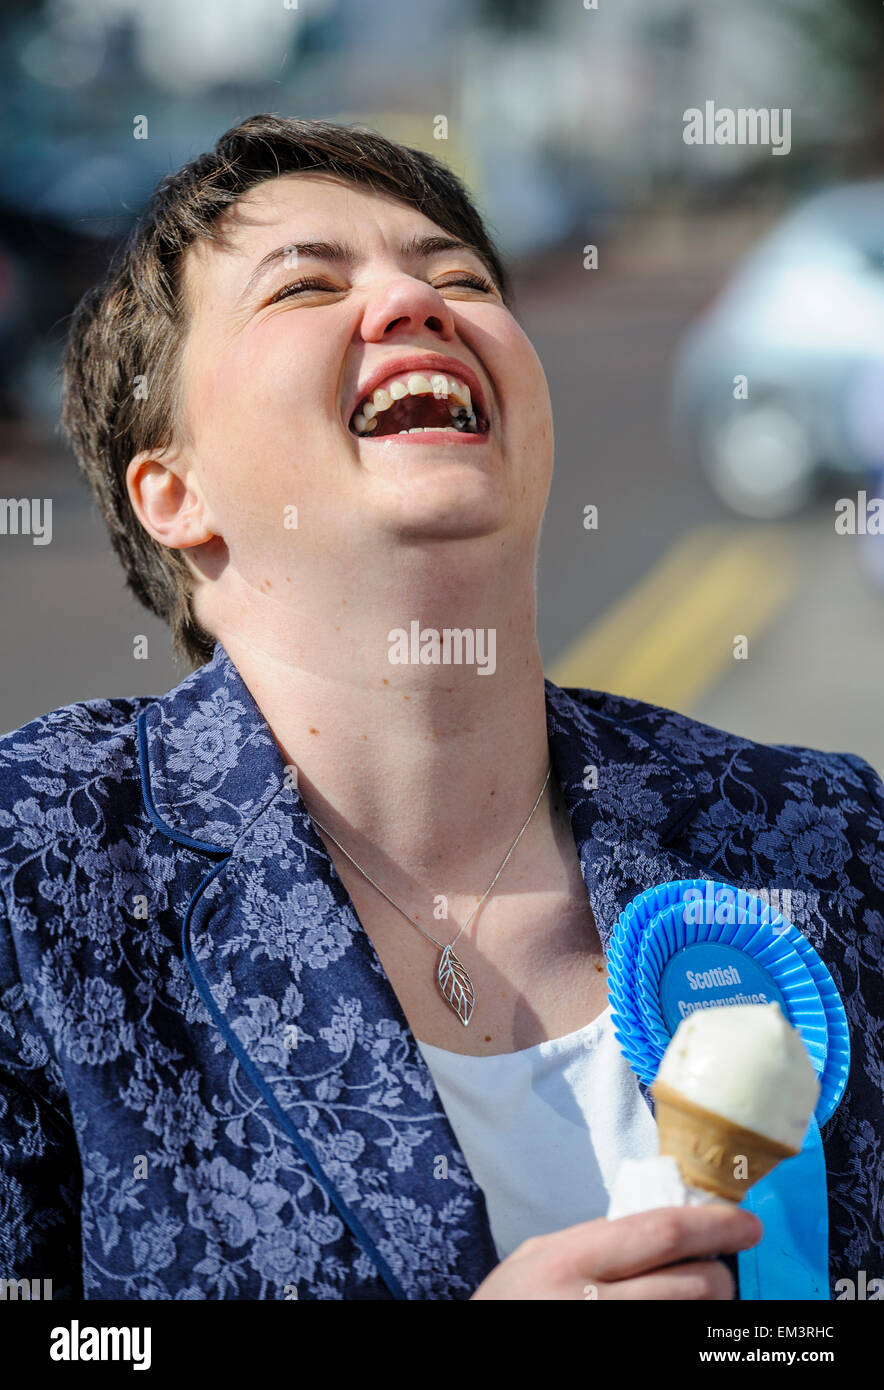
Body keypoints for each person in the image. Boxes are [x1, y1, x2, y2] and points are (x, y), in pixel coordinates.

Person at [0, 115, 881, 1301]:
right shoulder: (38, 876)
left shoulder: (823, 836)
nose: (415, 305)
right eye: (305, 284)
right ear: (173, 489)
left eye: (457, 276)